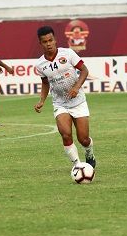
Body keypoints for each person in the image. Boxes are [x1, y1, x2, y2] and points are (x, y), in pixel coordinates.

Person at [34, 26, 96, 170]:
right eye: (45, 42)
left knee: (83, 139)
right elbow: (45, 83)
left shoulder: (68, 54)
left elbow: (84, 70)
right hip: (60, 103)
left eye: (50, 40)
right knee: (66, 134)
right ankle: (77, 165)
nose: (48, 44)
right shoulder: (40, 65)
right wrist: (42, 100)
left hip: (78, 101)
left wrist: (76, 87)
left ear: (55, 40)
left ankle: (89, 153)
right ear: (40, 43)